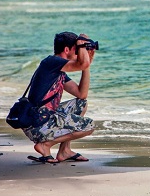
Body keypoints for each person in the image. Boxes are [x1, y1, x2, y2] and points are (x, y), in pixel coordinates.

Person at [23, 32, 96, 163]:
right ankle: (45, 145)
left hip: (44, 119)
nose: (78, 54)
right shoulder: (52, 62)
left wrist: (87, 64)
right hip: (36, 125)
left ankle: (64, 151)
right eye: (77, 50)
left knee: (81, 103)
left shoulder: (57, 69)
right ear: (67, 50)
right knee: (89, 126)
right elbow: (81, 63)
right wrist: (82, 46)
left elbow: (81, 94)